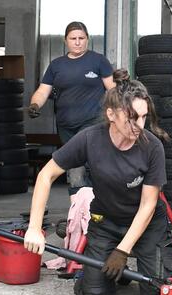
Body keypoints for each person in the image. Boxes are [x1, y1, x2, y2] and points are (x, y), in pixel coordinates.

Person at [24, 69, 172, 295]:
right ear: (111, 114)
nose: (139, 125)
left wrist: (123, 250)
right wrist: (34, 228)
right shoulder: (90, 139)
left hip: (147, 225)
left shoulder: (152, 147)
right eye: (132, 118)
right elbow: (46, 175)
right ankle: (110, 274)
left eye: (144, 117)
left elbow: (148, 205)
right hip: (106, 222)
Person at [28, 21, 115, 197]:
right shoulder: (56, 65)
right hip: (65, 126)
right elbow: (43, 91)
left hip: (92, 122)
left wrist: (119, 114)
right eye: (73, 38)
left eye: (81, 38)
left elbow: (112, 90)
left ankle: (97, 207)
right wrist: (35, 104)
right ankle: (80, 210)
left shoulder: (98, 61)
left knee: (83, 165)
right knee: (75, 165)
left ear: (87, 39)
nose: (77, 42)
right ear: (65, 40)